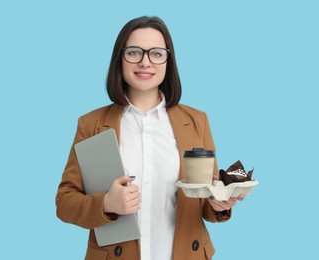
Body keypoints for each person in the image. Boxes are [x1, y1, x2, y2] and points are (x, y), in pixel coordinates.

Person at [56, 16, 244, 260]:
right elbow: (64, 203)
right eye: (134, 52)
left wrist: (218, 203)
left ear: (168, 60)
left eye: (156, 53)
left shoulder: (197, 121)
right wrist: (106, 204)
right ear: (120, 59)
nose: (145, 62)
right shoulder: (91, 124)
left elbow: (206, 194)